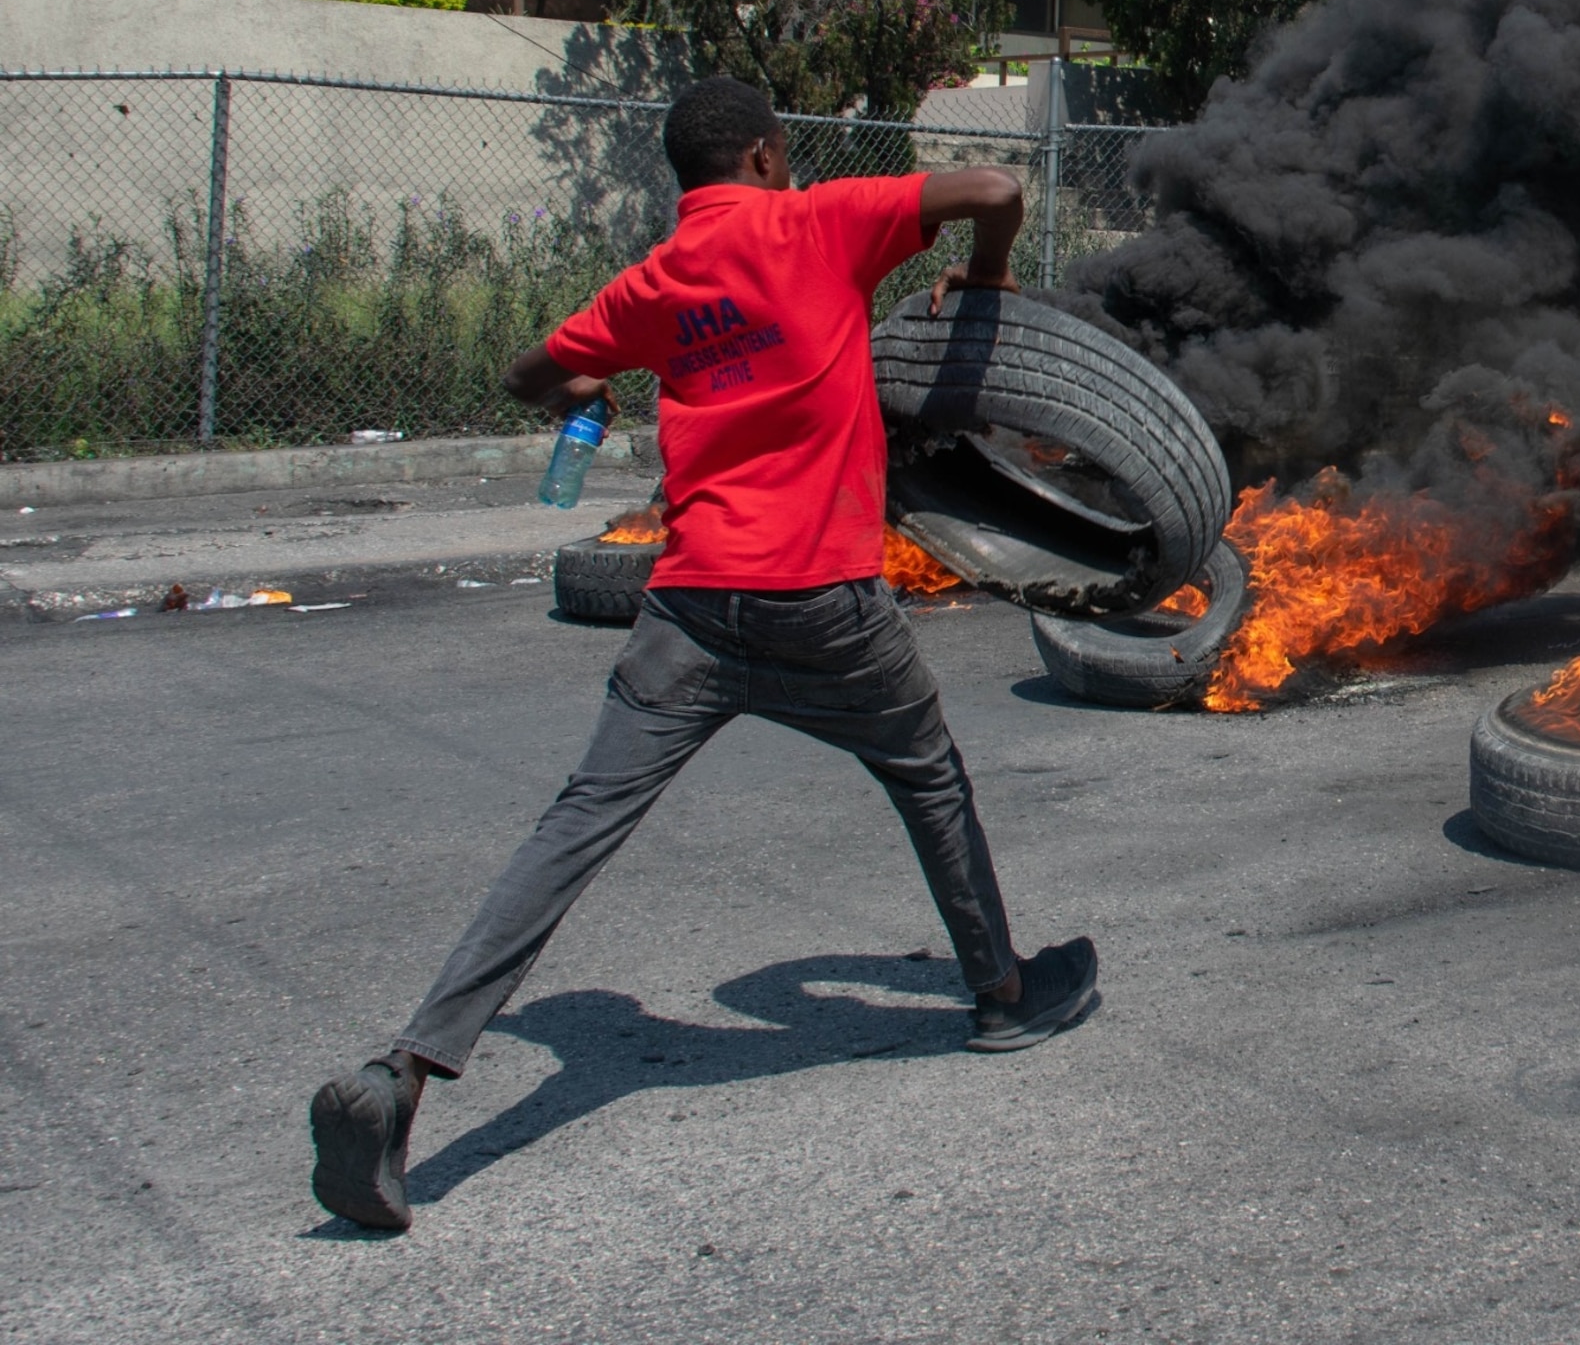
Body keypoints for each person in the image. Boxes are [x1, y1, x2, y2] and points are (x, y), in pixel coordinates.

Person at [308, 76, 1096, 1235]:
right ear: (771, 156)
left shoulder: (654, 283)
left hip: (687, 609)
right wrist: (984, 274)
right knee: (926, 774)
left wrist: (601, 382)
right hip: (822, 599)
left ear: (685, 176)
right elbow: (996, 183)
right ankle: (1002, 992)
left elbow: (531, 372)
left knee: (575, 827)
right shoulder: (819, 220)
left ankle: (405, 1072)